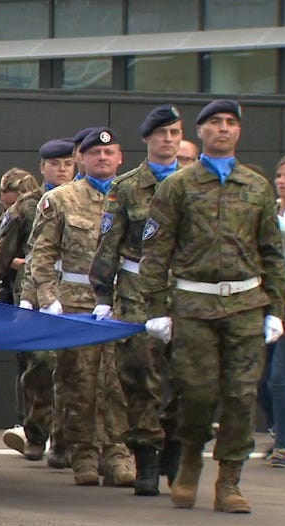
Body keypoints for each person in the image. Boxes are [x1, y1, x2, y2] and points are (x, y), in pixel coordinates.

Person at [139, 99, 285, 513]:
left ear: (238, 131)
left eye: (231, 123)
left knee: (241, 395)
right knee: (196, 393)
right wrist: (156, 308)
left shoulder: (256, 186)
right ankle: (189, 461)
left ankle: (230, 481)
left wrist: (276, 309)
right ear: (200, 131)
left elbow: (271, 252)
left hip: (245, 304)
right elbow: (156, 251)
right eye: (215, 122)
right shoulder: (179, 186)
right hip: (194, 305)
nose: (224, 128)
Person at [26, 128, 135, 487]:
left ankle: (117, 453)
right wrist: (48, 298)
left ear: (120, 158)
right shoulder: (60, 199)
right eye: (94, 153)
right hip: (76, 302)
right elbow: (41, 254)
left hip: (121, 301)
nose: (102, 158)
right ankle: (84, 452)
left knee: (118, 381)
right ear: (81, 159)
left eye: (109, 152)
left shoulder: (133, 197)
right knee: (79, 381)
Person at [89, 105, 183, 495]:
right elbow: (108, 242)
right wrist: (102, 294)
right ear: (147, 139)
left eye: (175, 133)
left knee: (187, 379)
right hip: (136, 293)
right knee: (140, 378)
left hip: (187, 294)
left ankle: (174, 450)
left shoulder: (195, 183)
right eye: (161, 133)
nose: (168, 139)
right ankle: (146, 459)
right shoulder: (126, 187)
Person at [0, 140, 75, 462]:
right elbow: (3, 253)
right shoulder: (27, 207)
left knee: (74, 366)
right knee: (41, 363)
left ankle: (64, 441)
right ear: (42, 167)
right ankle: (35, 432)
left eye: (68, 163)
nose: (62, 169)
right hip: (33, 292)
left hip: (76, 293)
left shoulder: (89, 200)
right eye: (55, 164)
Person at [267, 154, 285, 469]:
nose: (282, 181)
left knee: (280, 378)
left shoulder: (275, 216)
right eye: (279, 175)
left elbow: (284, 231)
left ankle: (282, 446)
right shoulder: (272, 208)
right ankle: (281, 430)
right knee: (263, 381)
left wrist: (252, 216)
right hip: (268, 306)